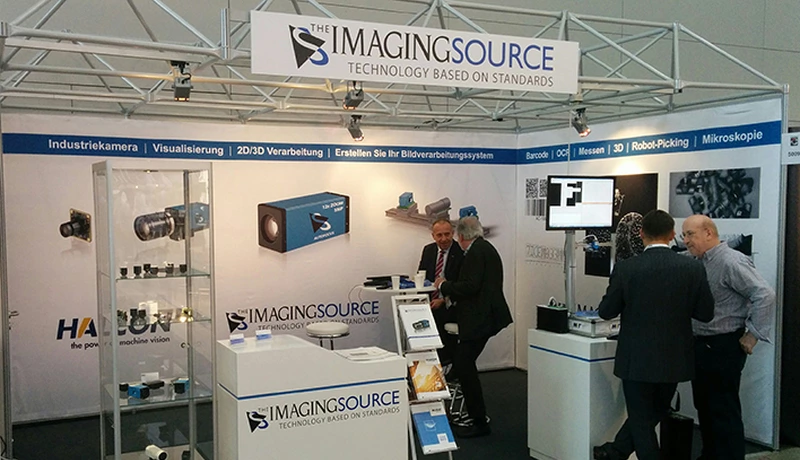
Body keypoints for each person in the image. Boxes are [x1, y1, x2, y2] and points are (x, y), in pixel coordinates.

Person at [593, 210, 715, 460]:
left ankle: (616, 452)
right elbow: (705, 313)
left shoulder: (627, 268)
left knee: (641, 420)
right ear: (672, 234)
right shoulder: (692, 268)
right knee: (652, 414)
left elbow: (606, 311)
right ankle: (615, 452)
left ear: (641, 234)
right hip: (675, 359)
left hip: (636, 359)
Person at [681, 214, 775, 460]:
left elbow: (764, 295)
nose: (686, 240)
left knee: (723, 411)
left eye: (690, 234)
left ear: (708, 233)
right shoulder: (700, 261)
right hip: (702, 346)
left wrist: (753, 335)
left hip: (722, 347)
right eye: (684, 235)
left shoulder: (731, 261)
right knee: (705, 407)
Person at [434, 216, 513, 438]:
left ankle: (479, 421)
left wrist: (444, 285)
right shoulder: (484, 248)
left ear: (460, 236)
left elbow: (470, 286)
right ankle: (474, 415)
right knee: (462, 364)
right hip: (484, 317)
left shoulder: (476, 252)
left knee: (463, 365)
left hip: (481, 318)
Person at [418, 218, 464, 366]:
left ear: (453, 233)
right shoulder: (428, 250)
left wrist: (443, 300)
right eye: (439, 235)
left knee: (438, 322)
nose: (444, 239)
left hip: (451, 304)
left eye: (447, 234)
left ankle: (444, 364)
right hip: (429, 302)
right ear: (433, 236)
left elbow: (463, 286)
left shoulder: (461, 252)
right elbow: (422, 276)